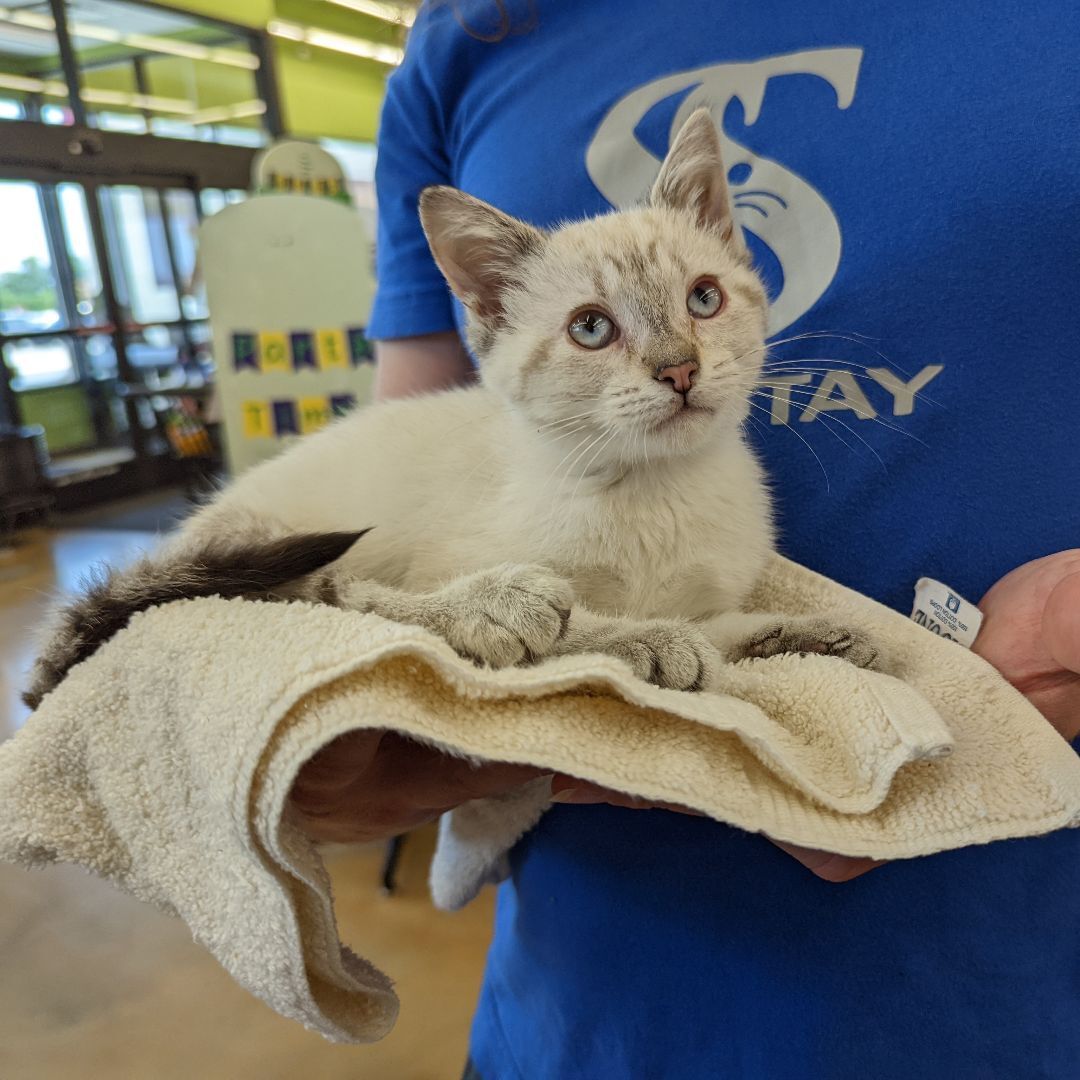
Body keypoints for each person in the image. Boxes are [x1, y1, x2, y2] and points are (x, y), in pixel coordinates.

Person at [289, 2, 1080, 1076]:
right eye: (600, 329)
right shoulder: (461, 41)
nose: (674, 362)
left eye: (703, 299)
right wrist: (351, 720)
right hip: (588, 1005)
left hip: (1016, 974)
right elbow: (404, 465)